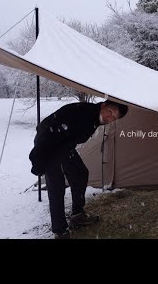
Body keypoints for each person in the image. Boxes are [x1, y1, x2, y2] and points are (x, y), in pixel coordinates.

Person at [29, 99, 129, 239]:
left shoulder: (95, 117)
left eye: (114, 118)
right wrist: (38, 160)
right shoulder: (83, 113)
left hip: (63, 145)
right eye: (111, 112)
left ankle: (77, 215)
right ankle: (60, 231)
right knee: (56, 187)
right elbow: (47, 133)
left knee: (80, 173)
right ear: (104, 105)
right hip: (49, 144)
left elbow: (70, 137)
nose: (110, 118)